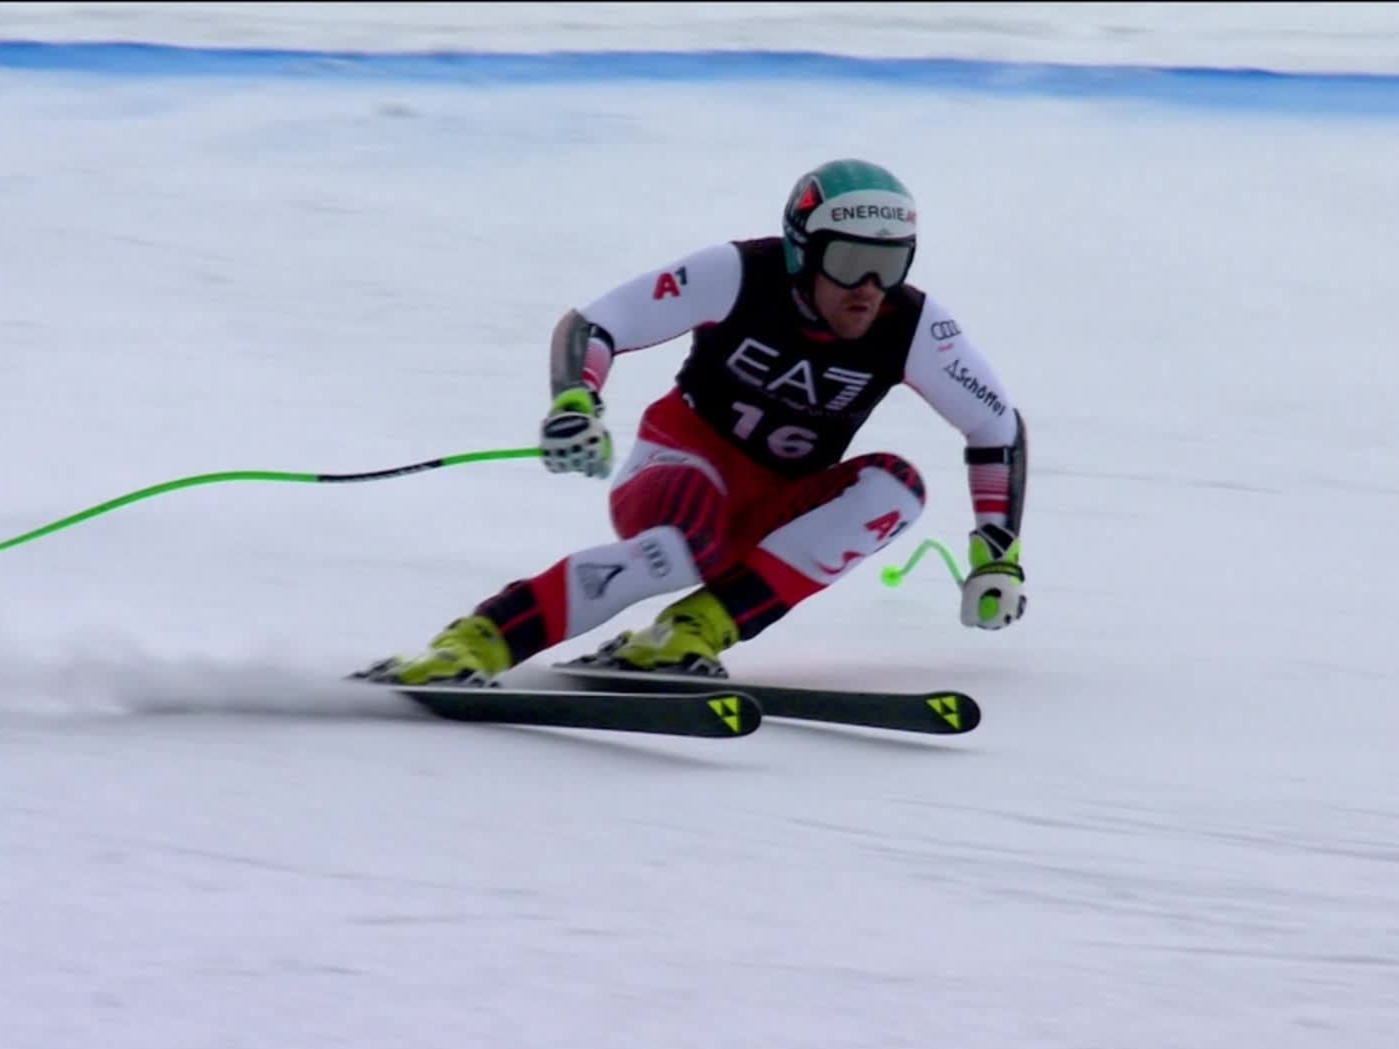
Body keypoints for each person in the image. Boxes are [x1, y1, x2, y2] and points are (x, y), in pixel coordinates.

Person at [354, 158, 1029, 687]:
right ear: (801, 251)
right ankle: (475, 642)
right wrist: (575, 402)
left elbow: (996, 426)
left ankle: (688, 632)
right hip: (677, 468)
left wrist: (997, 556)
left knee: (896, 488)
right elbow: (595, 324)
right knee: (685, 546)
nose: (869, 288)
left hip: (772, 505)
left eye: (889, 264)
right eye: (850, 262)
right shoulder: (738, 273)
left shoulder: (914, 325)